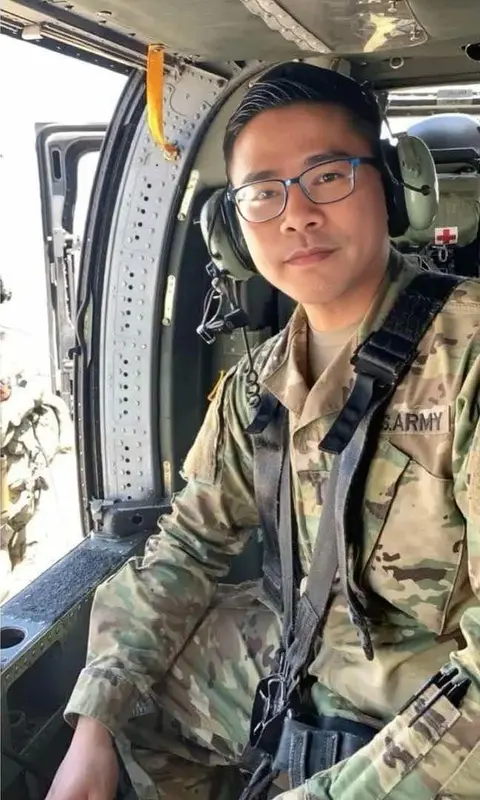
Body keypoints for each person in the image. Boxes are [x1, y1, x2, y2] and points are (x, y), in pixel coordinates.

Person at [46, 63, 480, 800]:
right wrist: (92, 734)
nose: (296, 215)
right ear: (236, 232)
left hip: (443, 702)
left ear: (397, 186)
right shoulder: (260, 383)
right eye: (263, 193)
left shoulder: (467, 355)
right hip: (313, 667)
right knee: (131, 697)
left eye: (328, 177)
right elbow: (187, 546)